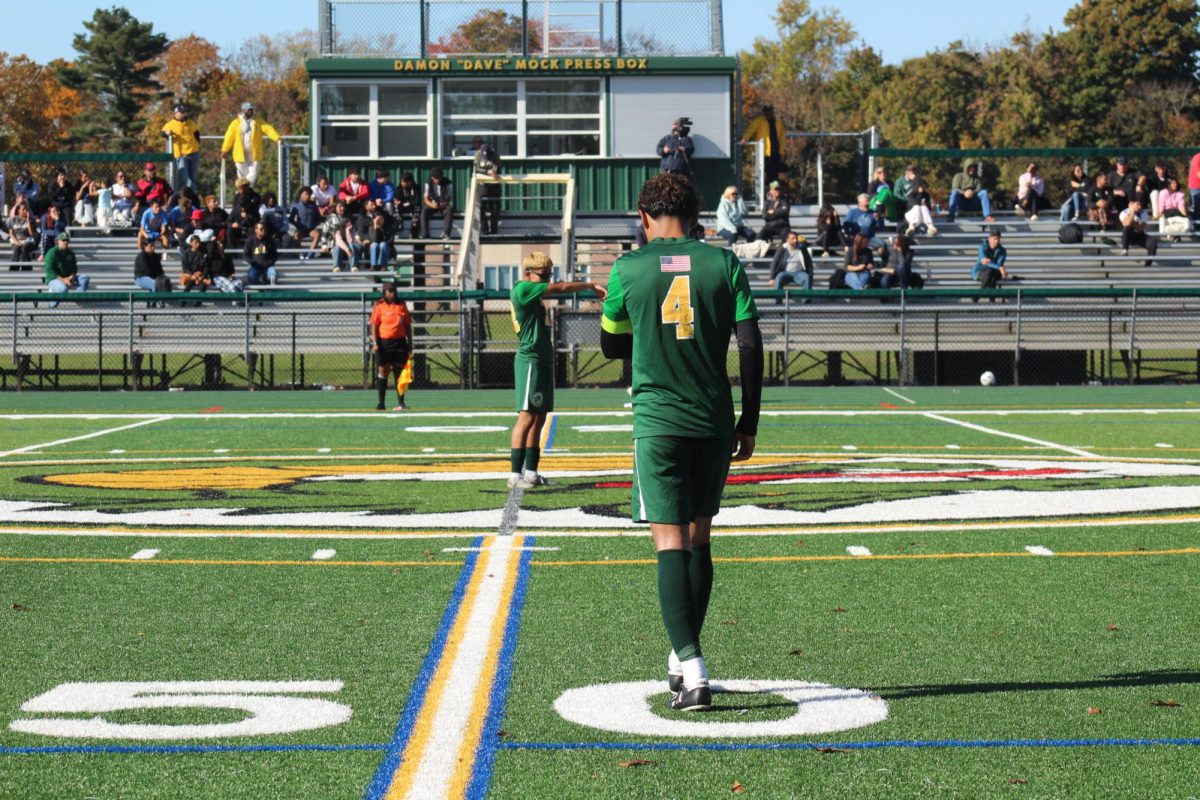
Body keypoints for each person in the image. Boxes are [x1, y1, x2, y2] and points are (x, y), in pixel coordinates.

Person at [599, 172, 762, 712]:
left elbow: (609, 345)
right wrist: (750, 420)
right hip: (714, 418)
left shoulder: (628, 268)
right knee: (701, 538)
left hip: (660, 420)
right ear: (696, 216)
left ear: (645, 218)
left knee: (670, 543)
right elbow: (751, 343)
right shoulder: (724, 263)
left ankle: (693, 668)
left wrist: (633, 314)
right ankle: (680, 653)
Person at [509, 251, 605, 489]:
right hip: (529, 358)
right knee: (526, 416)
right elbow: (561, 289)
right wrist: (590, 284)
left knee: (539, 417)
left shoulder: (531, 288)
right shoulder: (522, 288)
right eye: (543, 275)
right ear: (528, 273)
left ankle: (531, 472)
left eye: (549, 274)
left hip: (541, 357)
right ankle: (514, 475)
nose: (546, 279)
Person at [369, 282, 414, 411]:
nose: (392, 293)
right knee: (383, 371)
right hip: (384, 343)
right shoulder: (379, 305)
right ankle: (381, 403)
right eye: (389, 291)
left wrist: (410, 343)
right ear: (384, 292)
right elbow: (374, 325)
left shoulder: (401, 305)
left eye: (393, 290)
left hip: (399, 342)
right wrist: (375, 343)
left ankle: (401, 403)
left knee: (399, 372)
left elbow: (407, 325)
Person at [221, 102, 281, 185]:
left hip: (254, 152)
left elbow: (268, 129)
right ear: (244, 110)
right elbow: (229, 137)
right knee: (242, 174)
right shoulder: (236, 123)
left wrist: (277, 138)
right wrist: (225, 150)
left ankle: (246, 188)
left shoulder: (258, 121)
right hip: (239, 153)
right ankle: (242, 189)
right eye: (249, 110)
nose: (251, 111)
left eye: (252, 110)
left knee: (253, 173)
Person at [162, 104, 202, 191]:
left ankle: (193, 199)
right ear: (176, 113)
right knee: (183, 179)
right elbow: (162, 133)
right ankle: (183, 198)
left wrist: (198, 147)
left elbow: (197, 134)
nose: (184, 114)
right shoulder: (171, 124)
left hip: (194, 153)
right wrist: (166, 133)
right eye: (181, 112)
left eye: (185, 112)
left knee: (193, 179)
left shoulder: (190, 122)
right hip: (181, 155)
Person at [43, 231, 89, 305]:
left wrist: (72, 277)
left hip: (67, 277)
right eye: (63, 240)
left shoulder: (71, 253)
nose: (65, 242)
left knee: (85, 277)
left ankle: (78, 298)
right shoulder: (52, 252)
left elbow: (74, 268)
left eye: (67, 240)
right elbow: (50, 270)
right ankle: (51, 305)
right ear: (58, 241)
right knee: (63, 289)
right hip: (53, 278)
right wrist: (64, 280)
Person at [743, 104, 786, 183]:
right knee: (765, 174)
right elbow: (751, 130)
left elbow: (782, 138)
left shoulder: (779, 122)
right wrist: (745, 138)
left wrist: (781, 151)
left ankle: (774, 192)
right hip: (764, 153)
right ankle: (768, 191)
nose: (768, 113)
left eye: (770, 111)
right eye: (766, 111)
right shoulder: (759, 121)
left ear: (772, 111)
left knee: (774, 175)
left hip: (775, 152)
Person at [473, 138, 503, 235]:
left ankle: (494, 230)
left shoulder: (495, 156)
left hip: (494, 186)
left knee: (494, 208)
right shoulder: (478, 154)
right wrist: (487, 172)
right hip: (483, 185)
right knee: (481, 207)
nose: (487, 157)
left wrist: (492, 172)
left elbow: (495, 171)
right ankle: (484, 229)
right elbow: (476, 170)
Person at [419, 168, 453, 239]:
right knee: (424, 210)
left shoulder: (447, 183)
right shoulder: (427, 183)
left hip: (443, 205)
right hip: (432, 205)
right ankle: (424, 233)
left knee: (449, 210)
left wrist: (444, 203)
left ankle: (446, 233)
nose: (437, 180)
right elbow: (425, 199)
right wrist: (432, 205)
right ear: (432, 177)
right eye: (435, 178)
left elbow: (450, 197)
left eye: (438, 178)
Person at [1119, 198, 1157, 263]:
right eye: (1138, 204)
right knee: (1127, 228)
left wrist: (1132, 223)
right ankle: (1125, 249)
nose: (1140, 207)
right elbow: (1127, 224)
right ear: (1131, 204)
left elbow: (1140, 228)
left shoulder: (1143, 213)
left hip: (1140, 234)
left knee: (1152, 242)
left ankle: (1148, 263)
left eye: (1141, 205)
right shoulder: (1124, 212)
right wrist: (1132, 212)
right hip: (1128, 235)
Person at [289, 187, 322, 258]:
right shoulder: (296, 206)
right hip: (301, 229)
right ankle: (300, 253)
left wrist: (313, 225)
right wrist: (297, 225)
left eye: (309, 194)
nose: (308, 196)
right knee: (296, 235)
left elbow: (319, 218)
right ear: (301, 195)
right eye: (306, 194)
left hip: (311, 230)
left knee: (317, 234)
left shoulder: (313, 206)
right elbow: (291, 219)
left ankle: (311, 253)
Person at [229, 178, 262, 247]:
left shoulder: (255, 197)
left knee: (253, 230)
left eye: (241, 188)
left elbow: (255, 213)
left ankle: (252, 250)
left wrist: (247, 215)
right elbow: (234, 212)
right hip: (239, 223)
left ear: (246, 187)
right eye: (238, 188)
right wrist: (232, 224)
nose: (240, 190)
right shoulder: (236, 197)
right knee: (230, 230)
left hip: (251, 222)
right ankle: (232, 253)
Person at [7, 199, 37, 268]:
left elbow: (31, 233)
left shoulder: (31, 220)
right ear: (19, 210)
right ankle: (13, 269)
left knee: (24, 248)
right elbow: (11, 233)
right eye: (23, 209)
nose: (26, 211)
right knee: (17, 248)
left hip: (28, 240)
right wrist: (16, 241)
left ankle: (26, 269)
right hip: (16, 239)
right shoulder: (13, 219)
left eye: (26, 209)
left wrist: (28, 221)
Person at [392, 172, 420, 237]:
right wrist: (400, 202)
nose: (402, 183)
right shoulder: (399, 188)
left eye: (404, 182)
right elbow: (397, 199)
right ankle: (398, 225)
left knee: (417, 208)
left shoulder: (416, 188)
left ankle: (414, 228)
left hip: (412, 206)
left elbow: (417, 200)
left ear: (409, 182)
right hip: (402, 207)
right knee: (396, 206)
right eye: (402, 182)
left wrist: (409, 203)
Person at [1188, 150, 1200, 223]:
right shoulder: (1197, 158)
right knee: (1196, 208)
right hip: (1196, 187)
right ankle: (1195, 227)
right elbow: (1198, 174)